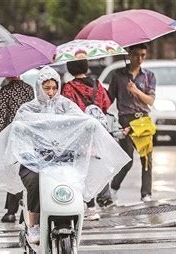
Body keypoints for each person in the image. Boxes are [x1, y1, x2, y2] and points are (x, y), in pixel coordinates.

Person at [0, 66, 130, 244]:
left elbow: (81, 120)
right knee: (35, 180)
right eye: (47, 88)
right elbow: (19, 127)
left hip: (64, 159)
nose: (51, 92)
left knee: (76, 178)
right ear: (39, 88)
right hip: (33, 161)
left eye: (54, 88)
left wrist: (91, 124)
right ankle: (33, 224)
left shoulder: (66, 105)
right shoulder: (28, 108)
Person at [62, 59, 112, 220]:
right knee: (95, 167)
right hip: (98, 132)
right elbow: (106, 105)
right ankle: (96, 203)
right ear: (86, 67)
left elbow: (65, 110)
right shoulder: (97, 84)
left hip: (80, 133)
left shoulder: (69, 88)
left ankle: (88, 206)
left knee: (81, 169)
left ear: (70, 69)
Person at [108, 43, 156, 202]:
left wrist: (136, 91)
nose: (140, 59)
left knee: (147, 160)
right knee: (127, 159)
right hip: (125, 120)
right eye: (136, 55)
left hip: (143, 120)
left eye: (143, 55)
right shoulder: (118, 75)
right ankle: (113, 188)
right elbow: (109, 98)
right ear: (129, 54)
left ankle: (146, 193)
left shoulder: (149, 75)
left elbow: (150, 100)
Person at [0, 77, 34, 223]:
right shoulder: (29, 88)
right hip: (28, 134)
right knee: (26, 171)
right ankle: (23, 209)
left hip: (11, 137)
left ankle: (11, 211)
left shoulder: (6, 90)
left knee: (14, 171)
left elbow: (0, 117)